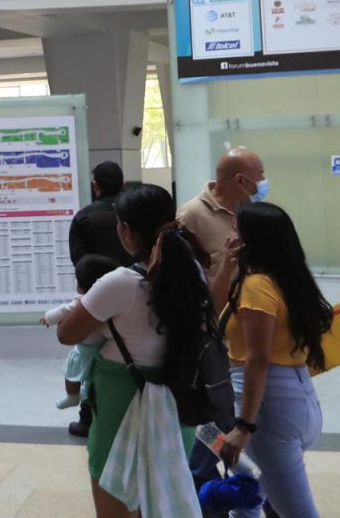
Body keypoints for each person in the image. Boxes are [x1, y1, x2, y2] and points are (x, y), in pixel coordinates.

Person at [57, 183, 208, 518]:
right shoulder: (191, 271)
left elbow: (67, 334)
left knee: (117, 491)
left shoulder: (119, 283)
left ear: (125, 230)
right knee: (166, 491)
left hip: (121, 401)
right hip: (178, 399)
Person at [216, 202, 332, 518]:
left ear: (251, 239)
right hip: (298, 397)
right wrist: (228, 265)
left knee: (296, 512)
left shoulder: (256, 287)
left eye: (236, 229)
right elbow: (216, 310)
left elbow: (258, 359)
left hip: (265, 408)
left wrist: (244, 425)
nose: (230, 235)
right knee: (247, 500)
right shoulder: (290, 280)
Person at [65, 161, 135, 437]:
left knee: (92, 355)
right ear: (123, 184)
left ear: (96, 186)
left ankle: (88, 416)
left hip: (97, 299)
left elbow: (80, 262)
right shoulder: (134, 215)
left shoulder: (84, 217)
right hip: (137, 294)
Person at [40, 254, 120, 414]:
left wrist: (48, 317)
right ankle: (85, 394)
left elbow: (63, 310)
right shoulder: (111, 300)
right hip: (104, 348)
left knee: (71, 371)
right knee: (92, 376)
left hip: (85, 347)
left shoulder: (82, 301)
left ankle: (72, 396)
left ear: (80, 284)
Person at [180, 147, 266, 280]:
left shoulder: (253, 212)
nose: (264, 180)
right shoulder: (190, 215)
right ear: (240, 180)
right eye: (260, 174)